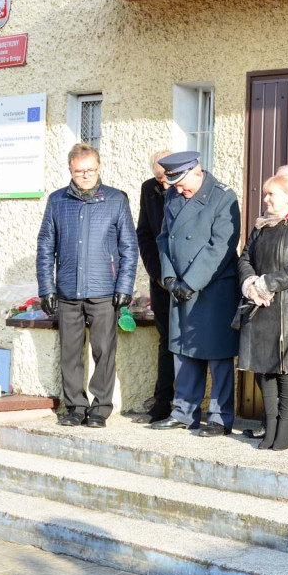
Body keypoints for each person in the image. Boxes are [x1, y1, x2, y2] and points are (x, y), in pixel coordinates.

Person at [36, 143, 138, 428]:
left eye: (91, 170)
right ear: (71, 170)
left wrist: (125, 286)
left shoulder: (116, 200)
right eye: (80, 171)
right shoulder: (57, 201)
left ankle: (100, 408)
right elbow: (45, 246)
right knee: (70, 352)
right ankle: (75, 407)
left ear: (99, 167)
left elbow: (129, 247)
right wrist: (47, 288)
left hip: (104, 291)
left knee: (104, 352)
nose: (86, 175)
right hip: (68, 291)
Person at [149, 151, 241, 437]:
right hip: (179, 285)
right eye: (173, 184)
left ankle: (219, 416)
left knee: (218, 353)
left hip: (213, 285)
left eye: (181, 183)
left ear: (196, 172)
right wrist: (168, 277)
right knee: (183, 350)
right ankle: (184, 411)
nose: (177, 190)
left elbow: (222, 245)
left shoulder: (223, 196)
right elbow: (164, 238)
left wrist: (191, 281)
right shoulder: (175, 196)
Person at [237, 174, 288, 450]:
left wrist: (266, 284)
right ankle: (270, 426)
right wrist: (250, 285)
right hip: (260, 306)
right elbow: (245, 258)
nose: (266, 199)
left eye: (271, 194)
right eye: (266, 194)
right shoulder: (261, 228)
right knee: (264, 370)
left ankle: (285, 429)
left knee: (287, 370)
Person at [130, 149, 174, 424]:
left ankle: (188, 404)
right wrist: (157, 274)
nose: (163, 183)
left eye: (167, 176)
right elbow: (144, 233)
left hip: (189, 279)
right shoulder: (150, 188)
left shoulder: (193, 189)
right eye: (158, 177)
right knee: (166, 340)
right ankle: (163, 401)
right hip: (161, 281)